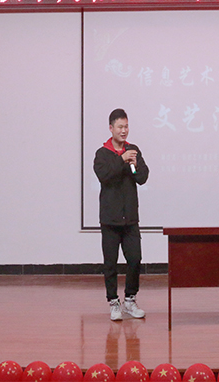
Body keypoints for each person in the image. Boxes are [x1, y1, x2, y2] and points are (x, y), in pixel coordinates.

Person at [94, 108, 149, 321]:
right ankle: (113, 302)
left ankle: (130, 300)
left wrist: (134, 165)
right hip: (110, 219)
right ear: (111, 128)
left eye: (126, 126)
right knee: (110, 263)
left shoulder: (133, 150)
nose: (124, 131)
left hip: (130, 219)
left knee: (135, 259)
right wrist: (122, 159)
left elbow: (142, 178)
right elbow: (105, 176)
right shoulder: (102, 154)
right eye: (120, 127)